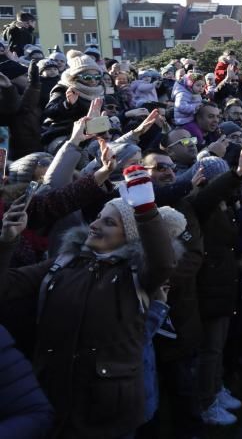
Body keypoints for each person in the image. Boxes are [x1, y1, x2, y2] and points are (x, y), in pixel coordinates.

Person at [0, 166, 176, 438]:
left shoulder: (137, 275)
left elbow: (163, 261)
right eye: (98, 218)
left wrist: (144, 205)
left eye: (109, 222)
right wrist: (7, 242)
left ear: (130, 235)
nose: (94, 224)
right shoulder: (64, 261)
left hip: (105, 409)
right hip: (54, 394)